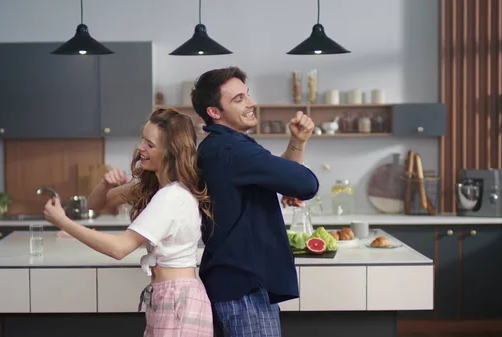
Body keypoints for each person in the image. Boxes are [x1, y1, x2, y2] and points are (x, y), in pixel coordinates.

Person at [43, 107, 214, 337]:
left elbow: (119, 248)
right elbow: (96, 204)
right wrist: (105, 184)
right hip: (169, 296)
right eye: (142, 139)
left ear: (170, 152)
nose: (140, 148)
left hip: (177, 301)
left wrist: (63, 222)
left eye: (150, 145)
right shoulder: (157, 187)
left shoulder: (172, 196)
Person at [191, 67, 320, 337]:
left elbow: (284, 180)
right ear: (214, 112)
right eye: (239, 99)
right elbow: (306, 184)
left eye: (247, 95)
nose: (252, 103)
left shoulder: (221, 146)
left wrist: (297, 142)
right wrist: (291, 181)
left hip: (236, 283)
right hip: (244, 289)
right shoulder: (232, 149)